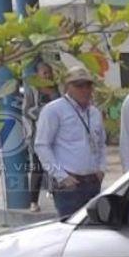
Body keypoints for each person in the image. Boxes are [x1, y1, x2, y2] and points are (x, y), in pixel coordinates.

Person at [34, 65, 107, 217]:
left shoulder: (94, 112)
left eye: (88, 85)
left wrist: (101, 168)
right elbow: (42, 146)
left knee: (93, 230)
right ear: (67, 87)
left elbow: (101, 144)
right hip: (69, 185)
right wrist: (62, 176)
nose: (84, 89)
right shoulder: (53, 110)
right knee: (71, 231)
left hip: (93, 182)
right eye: (79, 85)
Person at [22, 58, 59, 213]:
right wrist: (42, 112)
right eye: (44, 73)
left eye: (49, 72)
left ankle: (57, 196)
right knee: (37, 169)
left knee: (56, 168)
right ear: (37, 75)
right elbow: (26, 110)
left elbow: (61, 106)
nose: (47, 75)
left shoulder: (55, 88)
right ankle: (33, 202)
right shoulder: (32, 89)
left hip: (55, 135)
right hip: (38, 134)